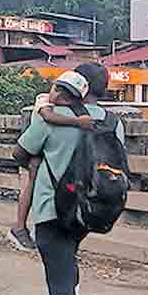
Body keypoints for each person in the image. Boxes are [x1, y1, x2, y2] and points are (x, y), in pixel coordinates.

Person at [13, 62, 123, 295]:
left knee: (59, 279)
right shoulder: (113, 122)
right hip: (90, 210)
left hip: (52, 210)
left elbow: (20, 152)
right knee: (68, 261)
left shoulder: (49, 117)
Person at [8, 77, 97, 251]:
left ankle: (35, 228)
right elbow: (48, 117)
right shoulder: (44, 101)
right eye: (58, 91)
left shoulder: (70, 109)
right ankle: (19, 226)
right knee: (33, 184)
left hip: (47, 152)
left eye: (67, 97)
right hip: (36, 150)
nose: (59, 97)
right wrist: (78, 123)